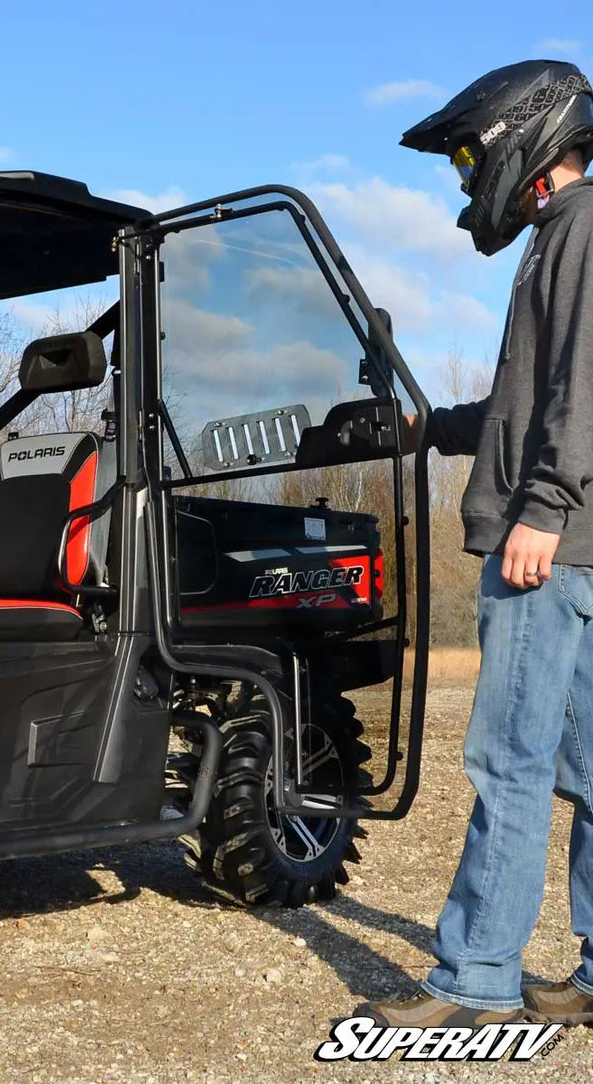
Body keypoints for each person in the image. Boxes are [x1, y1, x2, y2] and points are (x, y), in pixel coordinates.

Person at [359, 59, 593, 1028]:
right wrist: (428, 429)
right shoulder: (561, 235)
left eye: (466, 155)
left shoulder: (579, 230)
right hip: (574, 539)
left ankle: (473, 982)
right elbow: (529, 398)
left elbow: (585, 385)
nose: (463, 178)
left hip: (548, 542)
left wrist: (541, 505)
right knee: (585, 769)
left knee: (506, 759)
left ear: (521, 137)